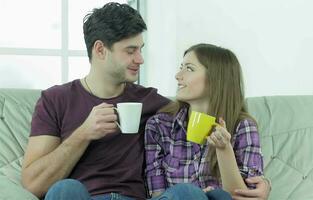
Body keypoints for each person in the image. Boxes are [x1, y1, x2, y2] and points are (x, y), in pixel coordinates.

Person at [21, 2, 270, 200]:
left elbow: (204, 108)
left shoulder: (154, 104)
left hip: (137, 197)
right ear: (100, 50)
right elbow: (33, 184)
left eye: (141, 49)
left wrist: (261, 185)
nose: (140, 59)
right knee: (65, 190)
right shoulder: (55, 100)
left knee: (186, 194)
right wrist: (83, 133)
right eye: (131, 51)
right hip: (84, 196)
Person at [145, 43, 270, 199]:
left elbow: (245, 197)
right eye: (181, 66)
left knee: (218, 196)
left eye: (189, 69)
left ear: (215, 78)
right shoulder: (159, 125)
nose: (178, 75)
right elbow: (157, 194)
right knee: (186, 192)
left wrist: (224, 149)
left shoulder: (243, 127)